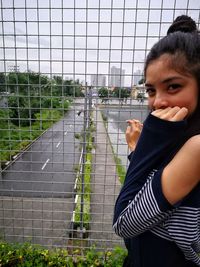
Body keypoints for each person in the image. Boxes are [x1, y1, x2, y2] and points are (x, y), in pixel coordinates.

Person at [113, 15, 200, 267]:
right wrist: (137, 150)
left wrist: (147, 142)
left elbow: (124, 223)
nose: (157, 101)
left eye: (173, 86)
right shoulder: (177, 136)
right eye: (151, 90)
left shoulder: (196, 147)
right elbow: (144, 197)